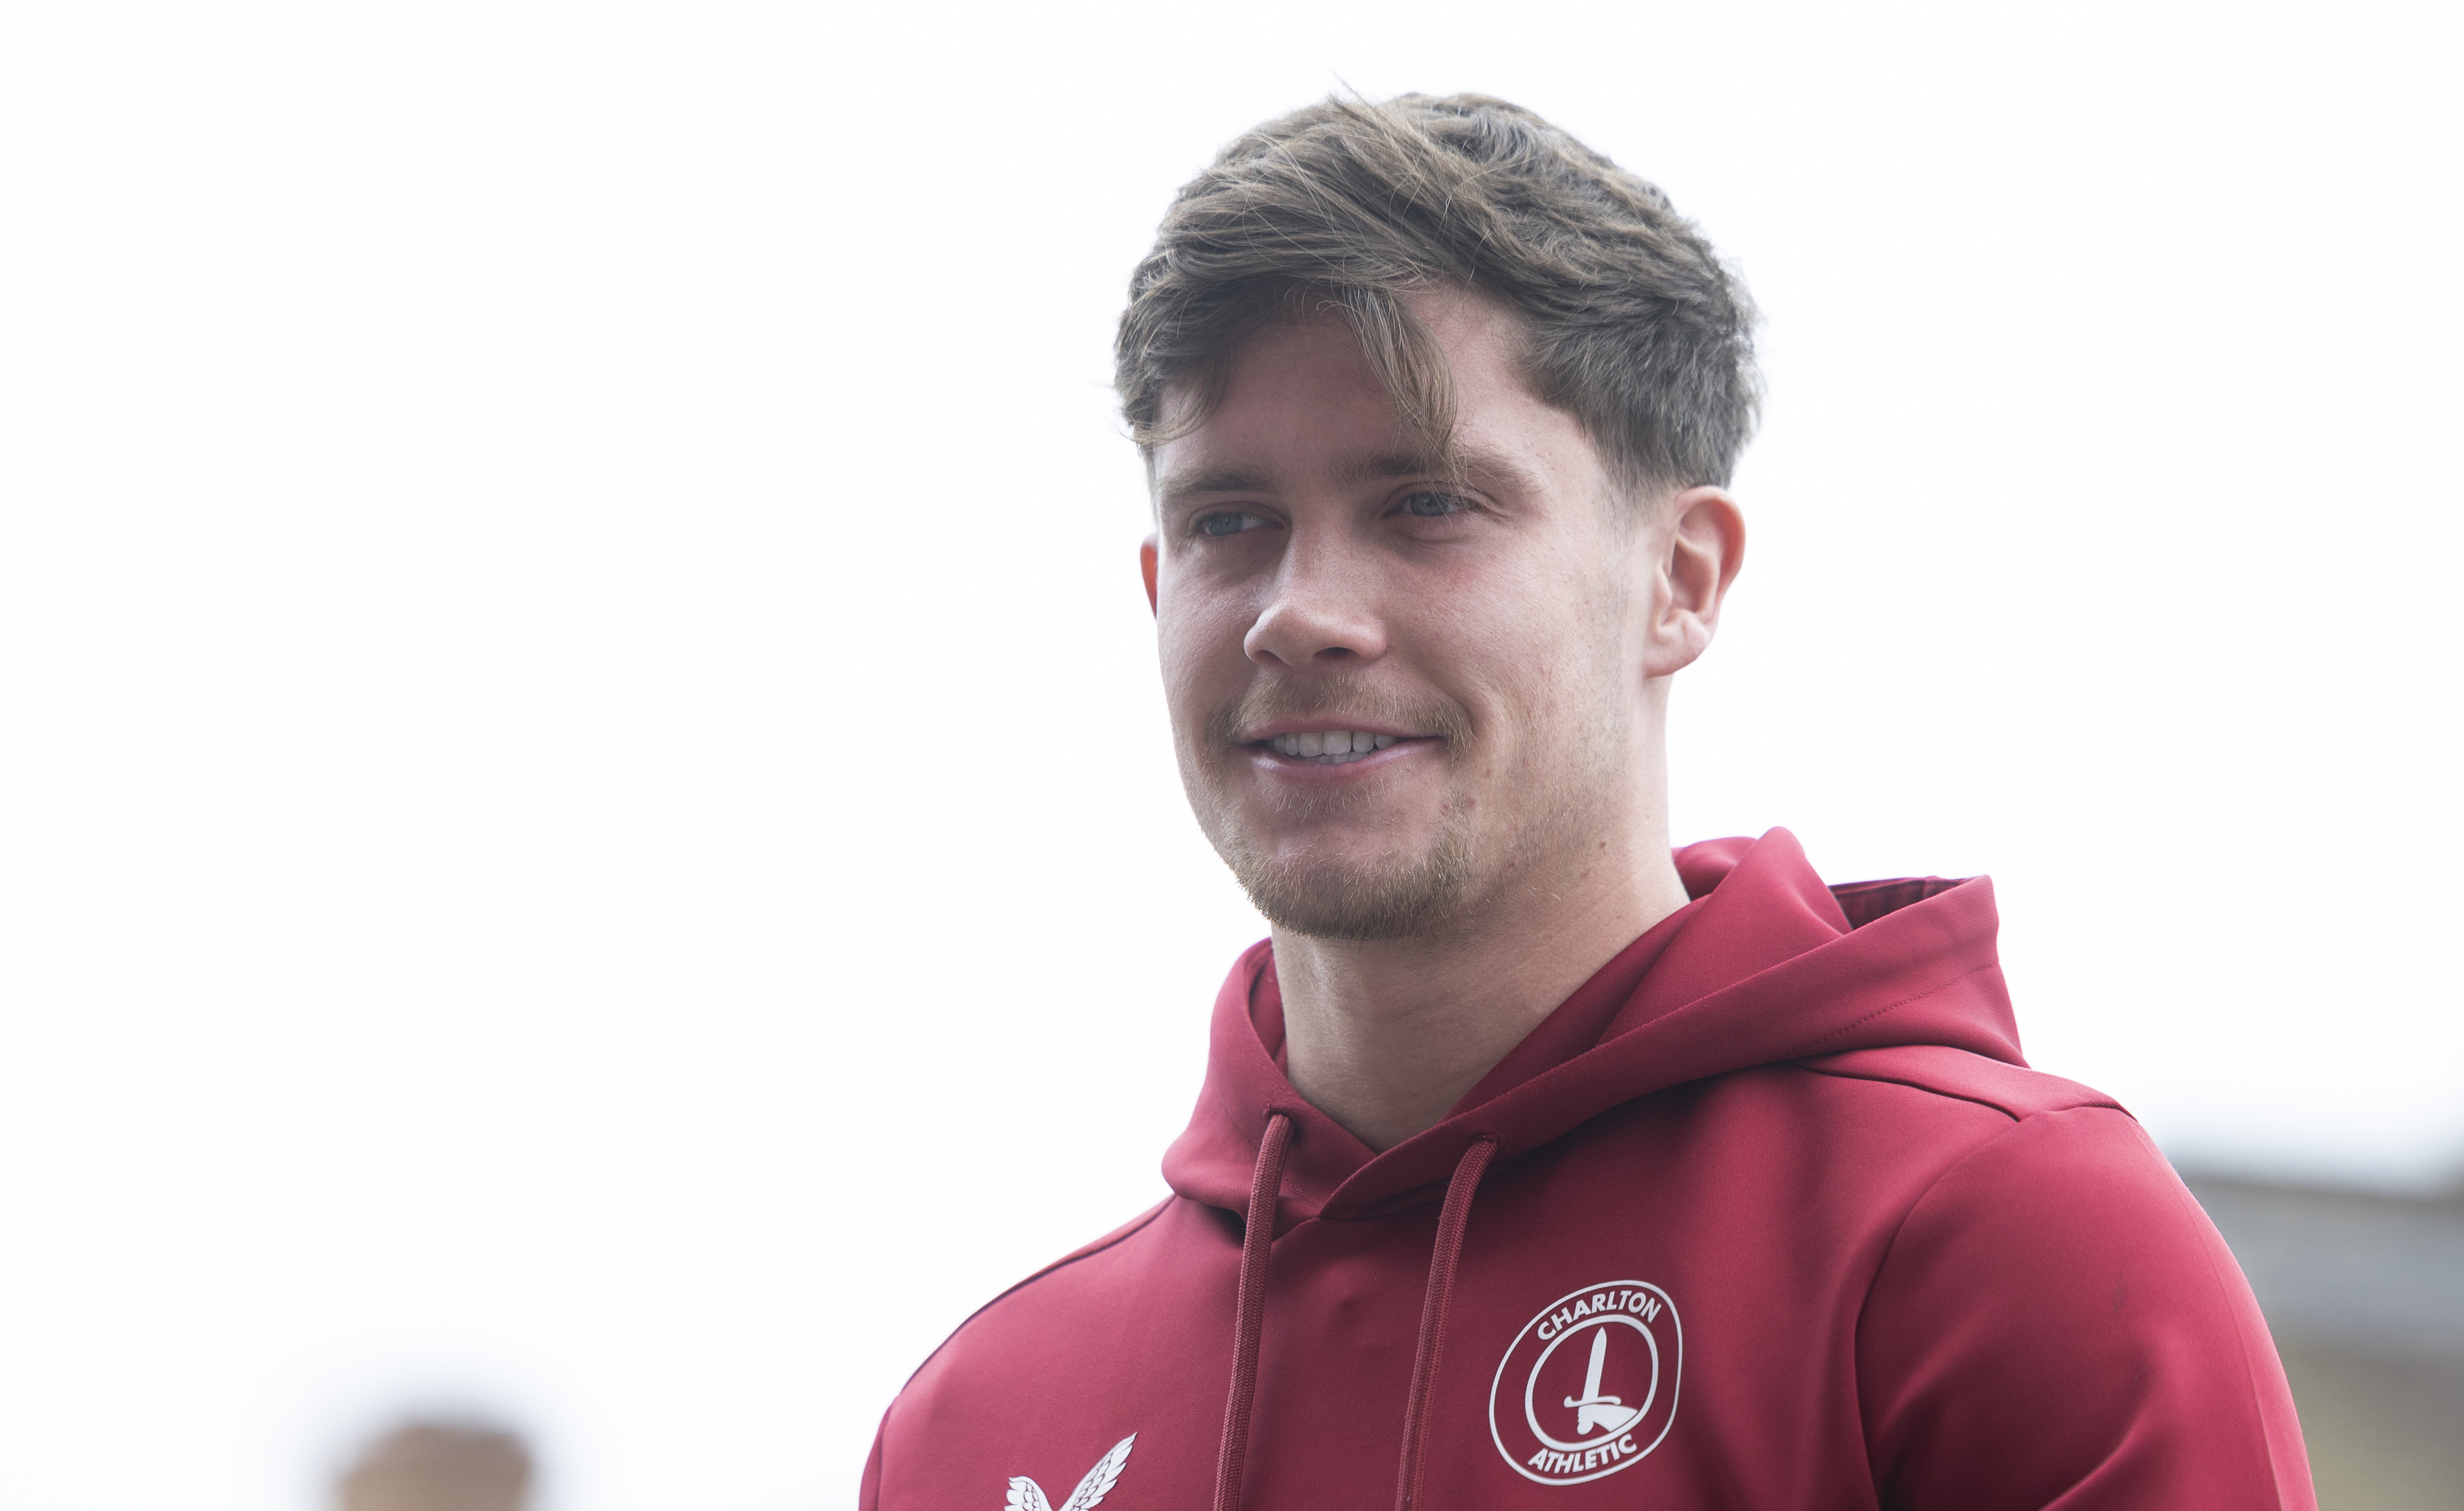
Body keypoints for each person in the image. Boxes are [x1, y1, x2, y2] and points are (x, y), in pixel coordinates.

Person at [861, 94, 2315, 1511]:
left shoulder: (1996, 1246)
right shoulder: (975, 1424)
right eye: (1230, 522)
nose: (1299, 613)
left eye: (1426, 504)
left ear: (1679, 582)